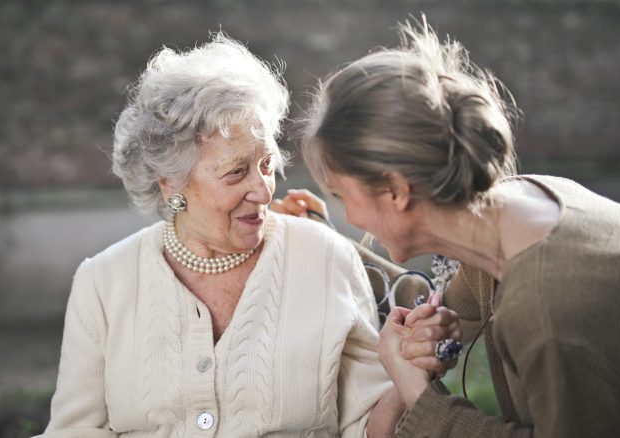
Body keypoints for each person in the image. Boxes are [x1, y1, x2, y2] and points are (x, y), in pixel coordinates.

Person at [36, 33, 454, 438]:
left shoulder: (325, 257)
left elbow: (365, 428)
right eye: (236, 172)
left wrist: (407, 374)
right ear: (170, 183)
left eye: (267, 165)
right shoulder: (103, 282)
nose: (264, 190)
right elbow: (76, 429)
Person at [287, 18, 620, 438]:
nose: (351, 217)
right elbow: (446, 315)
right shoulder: (518, 207)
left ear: (396, 191)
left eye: (341, 195)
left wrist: (420, 396)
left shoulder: (546, 307)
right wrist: (424, 344)